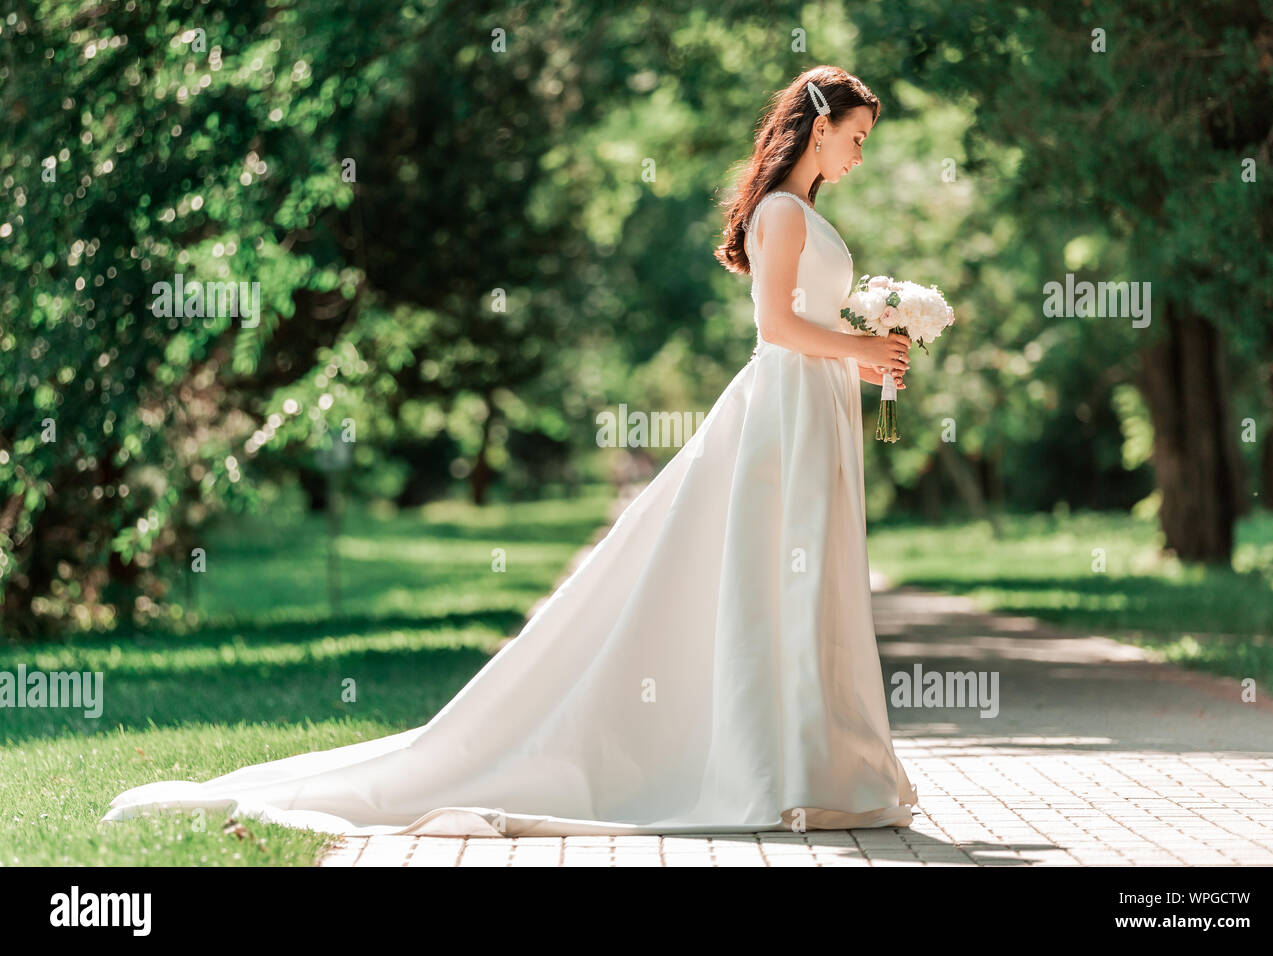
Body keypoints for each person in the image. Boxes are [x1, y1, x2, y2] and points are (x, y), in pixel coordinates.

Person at [101, 65, 919, 839]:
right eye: (854, 137)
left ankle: (820, 765)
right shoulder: (780, 213)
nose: (858, 154)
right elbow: (775, 328)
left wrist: (868, 343)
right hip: (781, 411)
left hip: (814, 407)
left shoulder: (805, 216)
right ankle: (782, 771)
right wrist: (863, 349)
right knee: (773, 575)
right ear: (818, 127)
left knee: (810, 581)